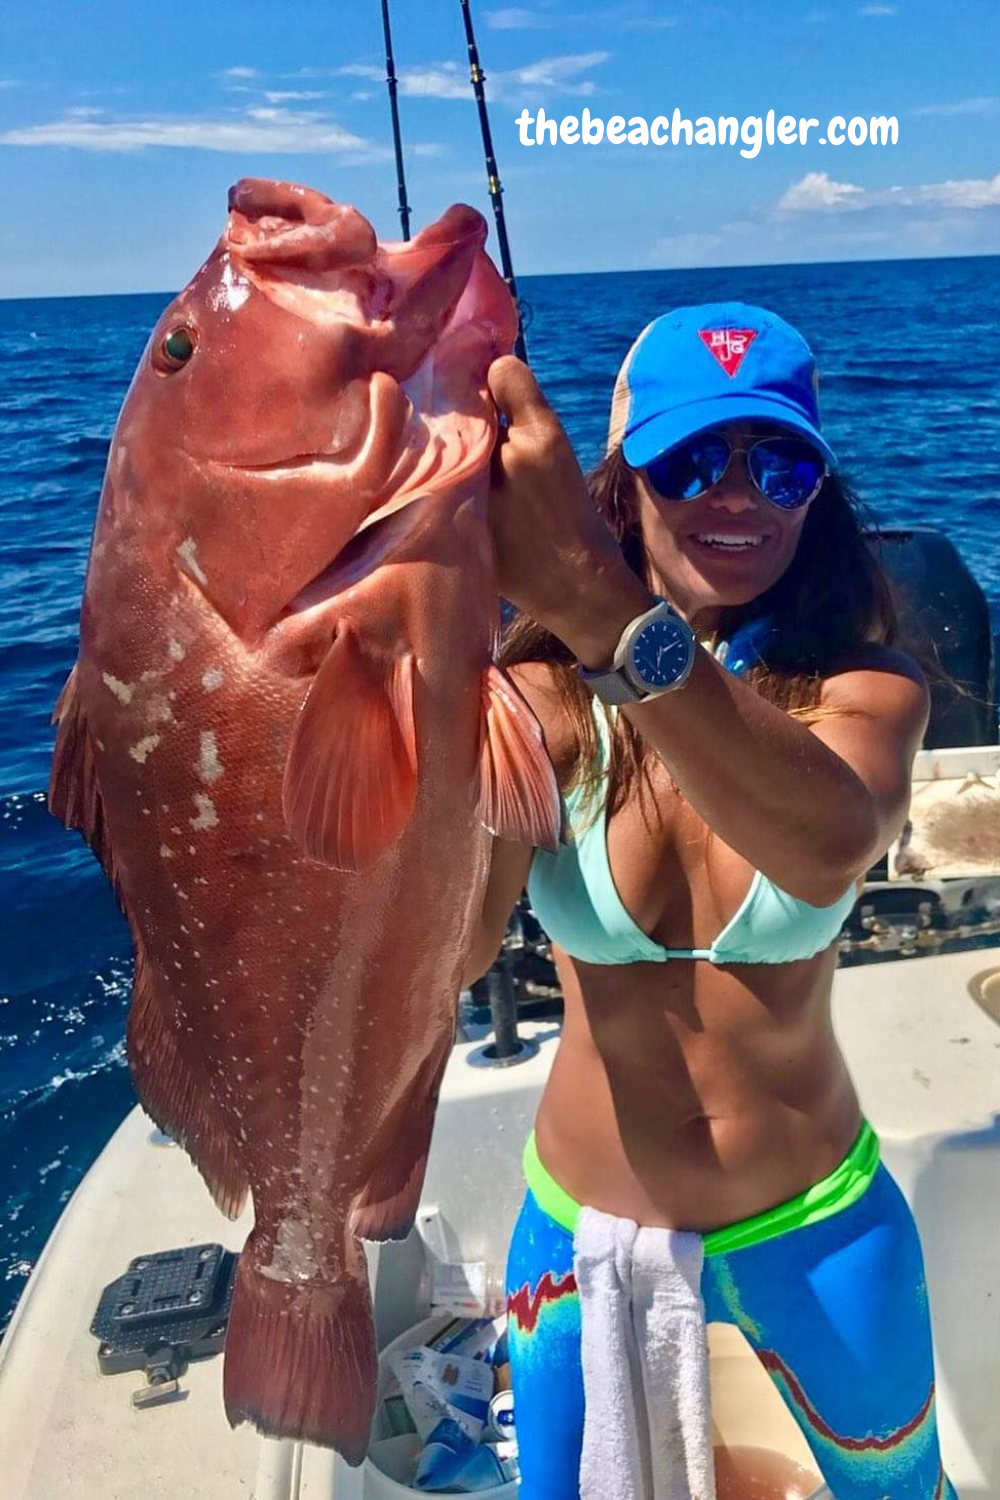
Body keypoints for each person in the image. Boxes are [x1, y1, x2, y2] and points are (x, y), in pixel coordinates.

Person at [465, 305, 956, 1499]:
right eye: (689, 461)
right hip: (577, 1236)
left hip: (820, 1225)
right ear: (620, 489)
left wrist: (602, 612)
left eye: (776, 463)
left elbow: (829, 841)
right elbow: (455, 955)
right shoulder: (532, 697)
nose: (737, 497)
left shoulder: (868, 692)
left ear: (814, 495)